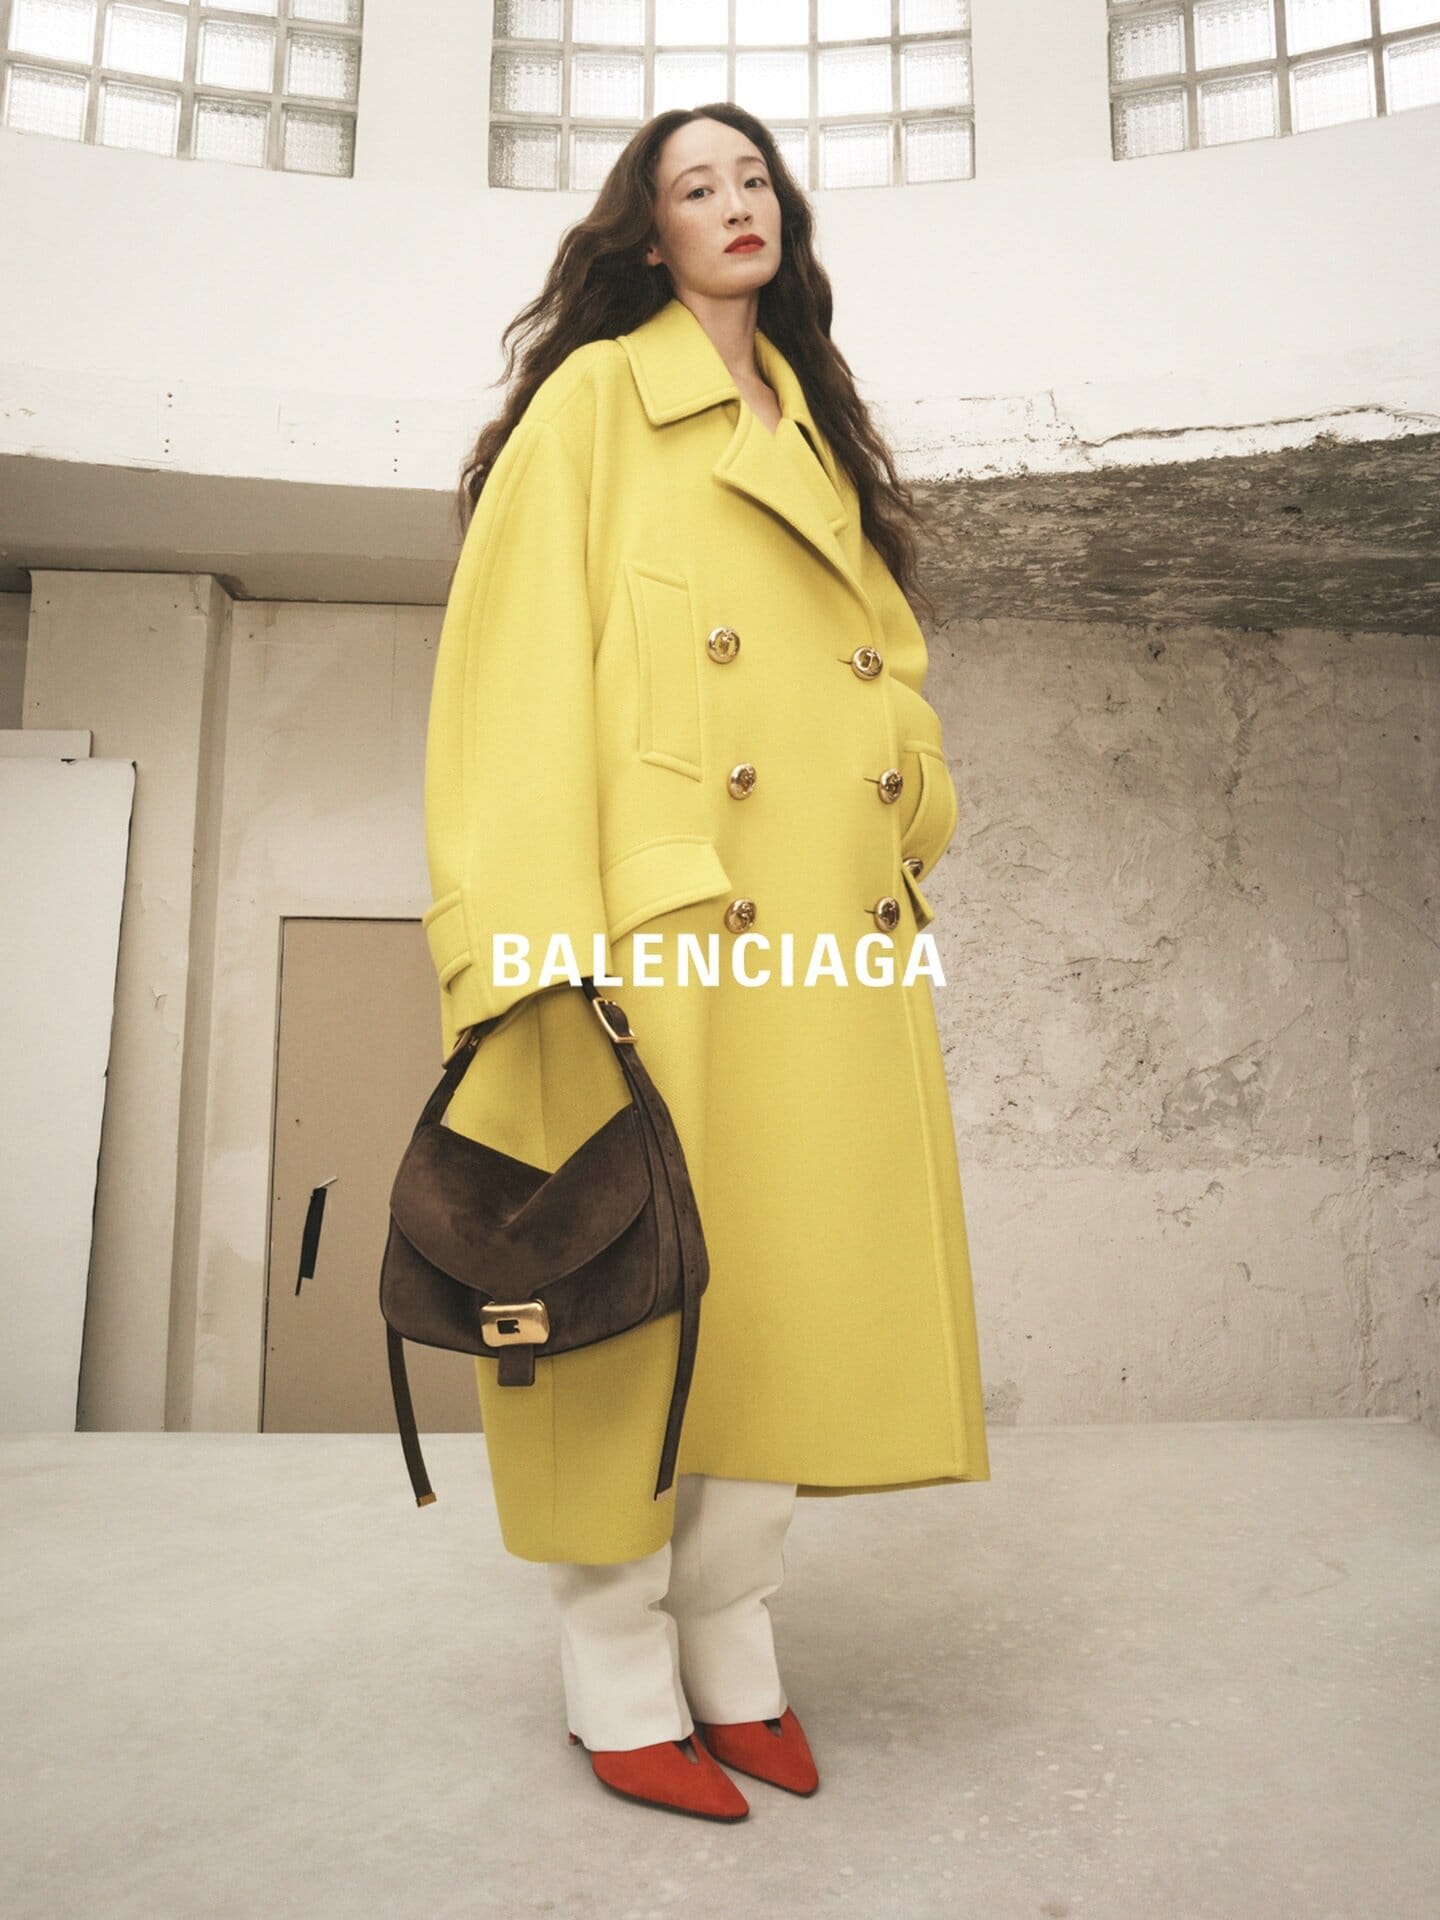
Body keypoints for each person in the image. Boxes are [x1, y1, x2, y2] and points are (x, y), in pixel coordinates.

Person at [422, 103, 991, 1822]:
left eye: (755, 179)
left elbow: (885, 668)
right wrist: (523, 958)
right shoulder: (598, 402)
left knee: (777, 1306)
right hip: (658, 941)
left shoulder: (814, 431)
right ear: (647, 230)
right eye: (696, 185)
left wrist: (913, 797)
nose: (735, 202)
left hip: (825, 941)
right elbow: (512, 680)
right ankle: (615, 1669)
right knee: (634, 1308)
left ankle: (734, 1641)